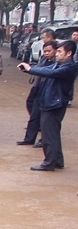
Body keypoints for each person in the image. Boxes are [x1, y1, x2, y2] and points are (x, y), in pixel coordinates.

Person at [17, 40, 77, 171]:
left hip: (55, 104)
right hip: (50, 102)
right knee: (52, 133)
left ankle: (49, 162)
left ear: (69, 54)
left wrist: (30, 69)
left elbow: (50, 73)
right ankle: (57, 161)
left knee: (49, 134)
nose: (57, 54)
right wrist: (29, 70)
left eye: (60, 51)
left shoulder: (69, 67)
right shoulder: (59, 64)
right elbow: (46, 69)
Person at [17, 41, 56, 147]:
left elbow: (45, 71)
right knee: (34, 116)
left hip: (50, 93)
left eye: (49, 51)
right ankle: (29, 139)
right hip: (39, 89)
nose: (46, 53)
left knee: (46, 120)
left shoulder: (57, 64)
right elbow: (38, 68)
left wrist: (32, 69)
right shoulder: (43, 59)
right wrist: (28, 69)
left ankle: (44, 140)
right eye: (45, 51)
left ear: (55, 50)